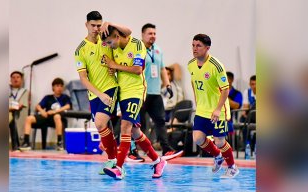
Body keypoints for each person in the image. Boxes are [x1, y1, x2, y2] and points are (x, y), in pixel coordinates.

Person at [101, 25, 167, 180]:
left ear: (117, 36)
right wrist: (113, 70)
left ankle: (119, 167)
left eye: (111, 43)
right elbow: (117, 67)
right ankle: (158, 161)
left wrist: (114, 65)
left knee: (125, 127)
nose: (110, 47)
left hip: (136, 91)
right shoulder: (115, 48)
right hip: (122, 92)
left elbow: (137, 69)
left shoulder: (136, 44)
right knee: (135, 132)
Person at [74, 11, 132, 175]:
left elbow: (127, 33)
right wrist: (99, 94)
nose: (96, 28)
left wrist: (111, 24)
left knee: (100, 123)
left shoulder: (107, 37)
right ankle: (114, 161)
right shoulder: (80, 50)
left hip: (111, 87)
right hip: (95, 93)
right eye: (93, 25)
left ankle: (116, 161)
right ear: (86, 25)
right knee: (105, 127)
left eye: (99, 25)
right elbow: (83, 79)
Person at [188, 34, 239, 178]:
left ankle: (232, 167)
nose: (194, 49)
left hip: (218, 109)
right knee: (197, 138)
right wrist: (198, 100)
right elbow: (193, 82)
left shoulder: (216, 66)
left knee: (219, 140)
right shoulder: (191, 64)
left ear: (207, 48)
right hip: (202, 109)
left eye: (198, 46)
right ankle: (217, 156)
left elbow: (225, 89)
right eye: (193, 45)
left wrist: (217, 109)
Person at [138, 23, 183, 160]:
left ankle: (166, 149)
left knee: (160, 121)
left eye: (154, 33)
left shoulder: (158, 50)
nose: (153, 36)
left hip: (155, 92)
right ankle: (132, 151)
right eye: (150, 33)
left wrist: (168, 85)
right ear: (143, 35)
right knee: (139, 124)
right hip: (140, 92)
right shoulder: (137, 49)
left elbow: (163, 69)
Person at [19, 78, 72, 151]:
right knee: (29, 118)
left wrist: (55, 111)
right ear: (53, 87)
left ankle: (59, 142)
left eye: (61, 86)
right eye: (57, 86)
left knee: (57, 116)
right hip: (47, 117)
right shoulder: (48, 97)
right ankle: (26, 142)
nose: (59, 88)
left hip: (58, 118)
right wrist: (42, 111)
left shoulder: (65, 97)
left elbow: (68, 106)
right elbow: (38, 106)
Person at [9, 71, 29, 151]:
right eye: (13, 77)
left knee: (11, 118)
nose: (15, 79)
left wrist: (9, 106)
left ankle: (16, 145)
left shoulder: (25, 91)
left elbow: (20, 105)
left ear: (21, 79)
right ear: (10, 79)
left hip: (18, 115)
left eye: (18, 77)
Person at [226, 71, 243, 146]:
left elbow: (236, 106)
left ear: (231, 80)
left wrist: (224, 97)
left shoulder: (237, 93)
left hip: (231, 119)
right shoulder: (217, 92)